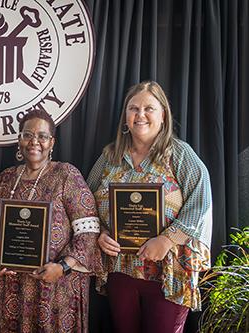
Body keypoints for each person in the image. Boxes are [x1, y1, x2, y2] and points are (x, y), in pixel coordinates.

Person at [87, 81, 212, 333]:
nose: (140, 115)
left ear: (163, 115)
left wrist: (166, 240)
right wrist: (99, 233)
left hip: (168, 271)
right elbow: (85, 201)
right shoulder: (109, 156)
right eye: (133, 108)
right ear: (125, 116)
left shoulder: (179, 154)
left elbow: (201, 202)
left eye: (149, 108)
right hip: (120, 269)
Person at [0, 109, 103, 333]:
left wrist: (63, 267)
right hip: (9, 287)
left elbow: (89, 229)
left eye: (42, 136)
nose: (34, 141)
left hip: (54, 289)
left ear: (52, 142)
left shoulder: (66, 175)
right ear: (19, 139)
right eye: (27, 135)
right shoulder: (5, 178)